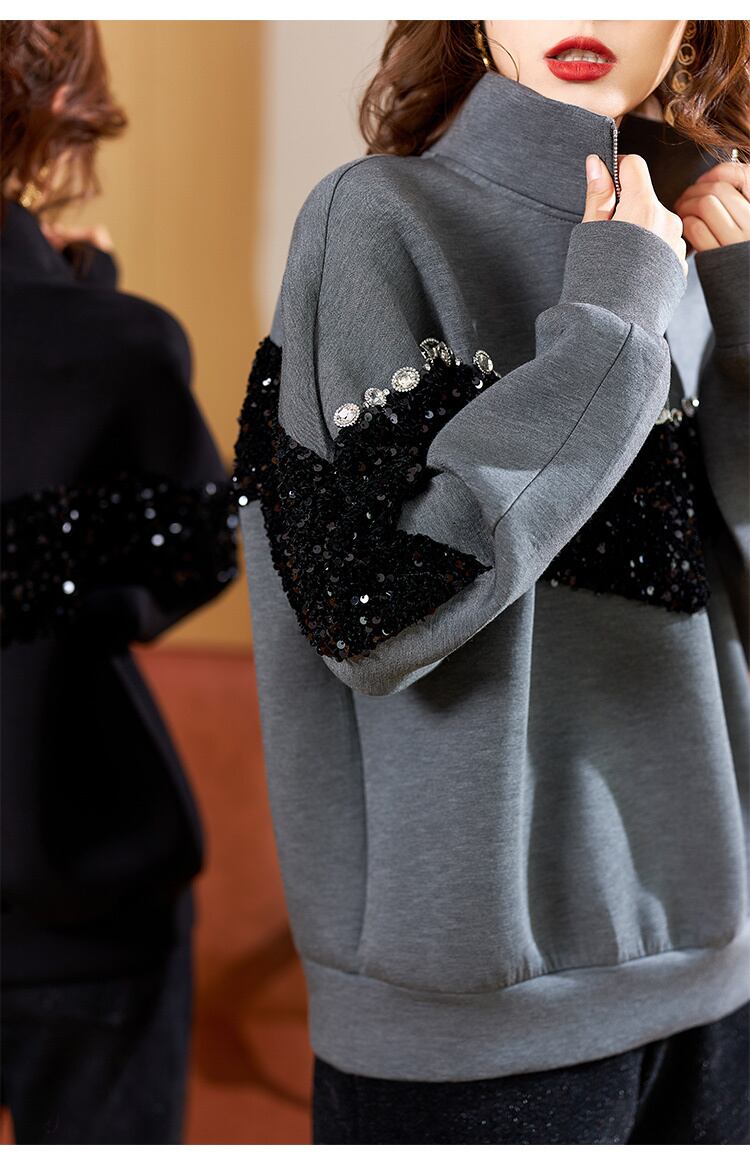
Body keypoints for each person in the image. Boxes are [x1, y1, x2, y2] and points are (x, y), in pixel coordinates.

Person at [234, 19, 750, 1144]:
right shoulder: (376, 216)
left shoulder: (704, 234)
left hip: (722, 981)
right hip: (473, 1031)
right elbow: (370, 611)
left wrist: (743, 331)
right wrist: (611, 324)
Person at [0, 20, 238, 1143]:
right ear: (54, 104)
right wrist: (82, 303)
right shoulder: (117, 346)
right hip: (83, 896)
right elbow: (189, 558)